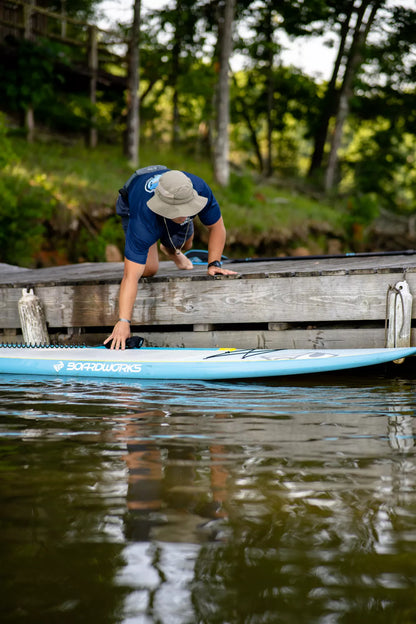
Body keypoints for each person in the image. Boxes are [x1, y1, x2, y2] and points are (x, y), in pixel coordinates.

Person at [104, 167, 237, 350]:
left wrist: (214, 263)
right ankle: (166, 247)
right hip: (134, 201)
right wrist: (123, 321)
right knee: (149, 269)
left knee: (187, 245)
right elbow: (130, 277)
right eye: (178, 210)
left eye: (187, 209)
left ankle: (171, 250)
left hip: (168, 186)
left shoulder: (199, 188)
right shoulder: (142, 219)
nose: (184, 214)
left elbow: (217, 227)